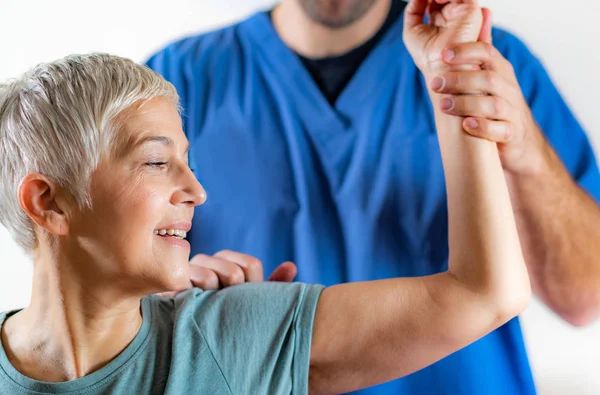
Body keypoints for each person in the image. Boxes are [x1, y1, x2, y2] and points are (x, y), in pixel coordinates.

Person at [0, 2, 530, 393]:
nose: (197, 191)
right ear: (49, 203)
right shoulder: (193, 65)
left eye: (190, 162)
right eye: (159, 162)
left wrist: (455, 73)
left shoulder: (229, 332)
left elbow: (487, 293)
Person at [145, 0, 600, 393]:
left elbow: (586, 296)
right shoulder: (176, 84)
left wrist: (527, 154)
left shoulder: (482, 65)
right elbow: (107, 303)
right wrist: (174, 295)